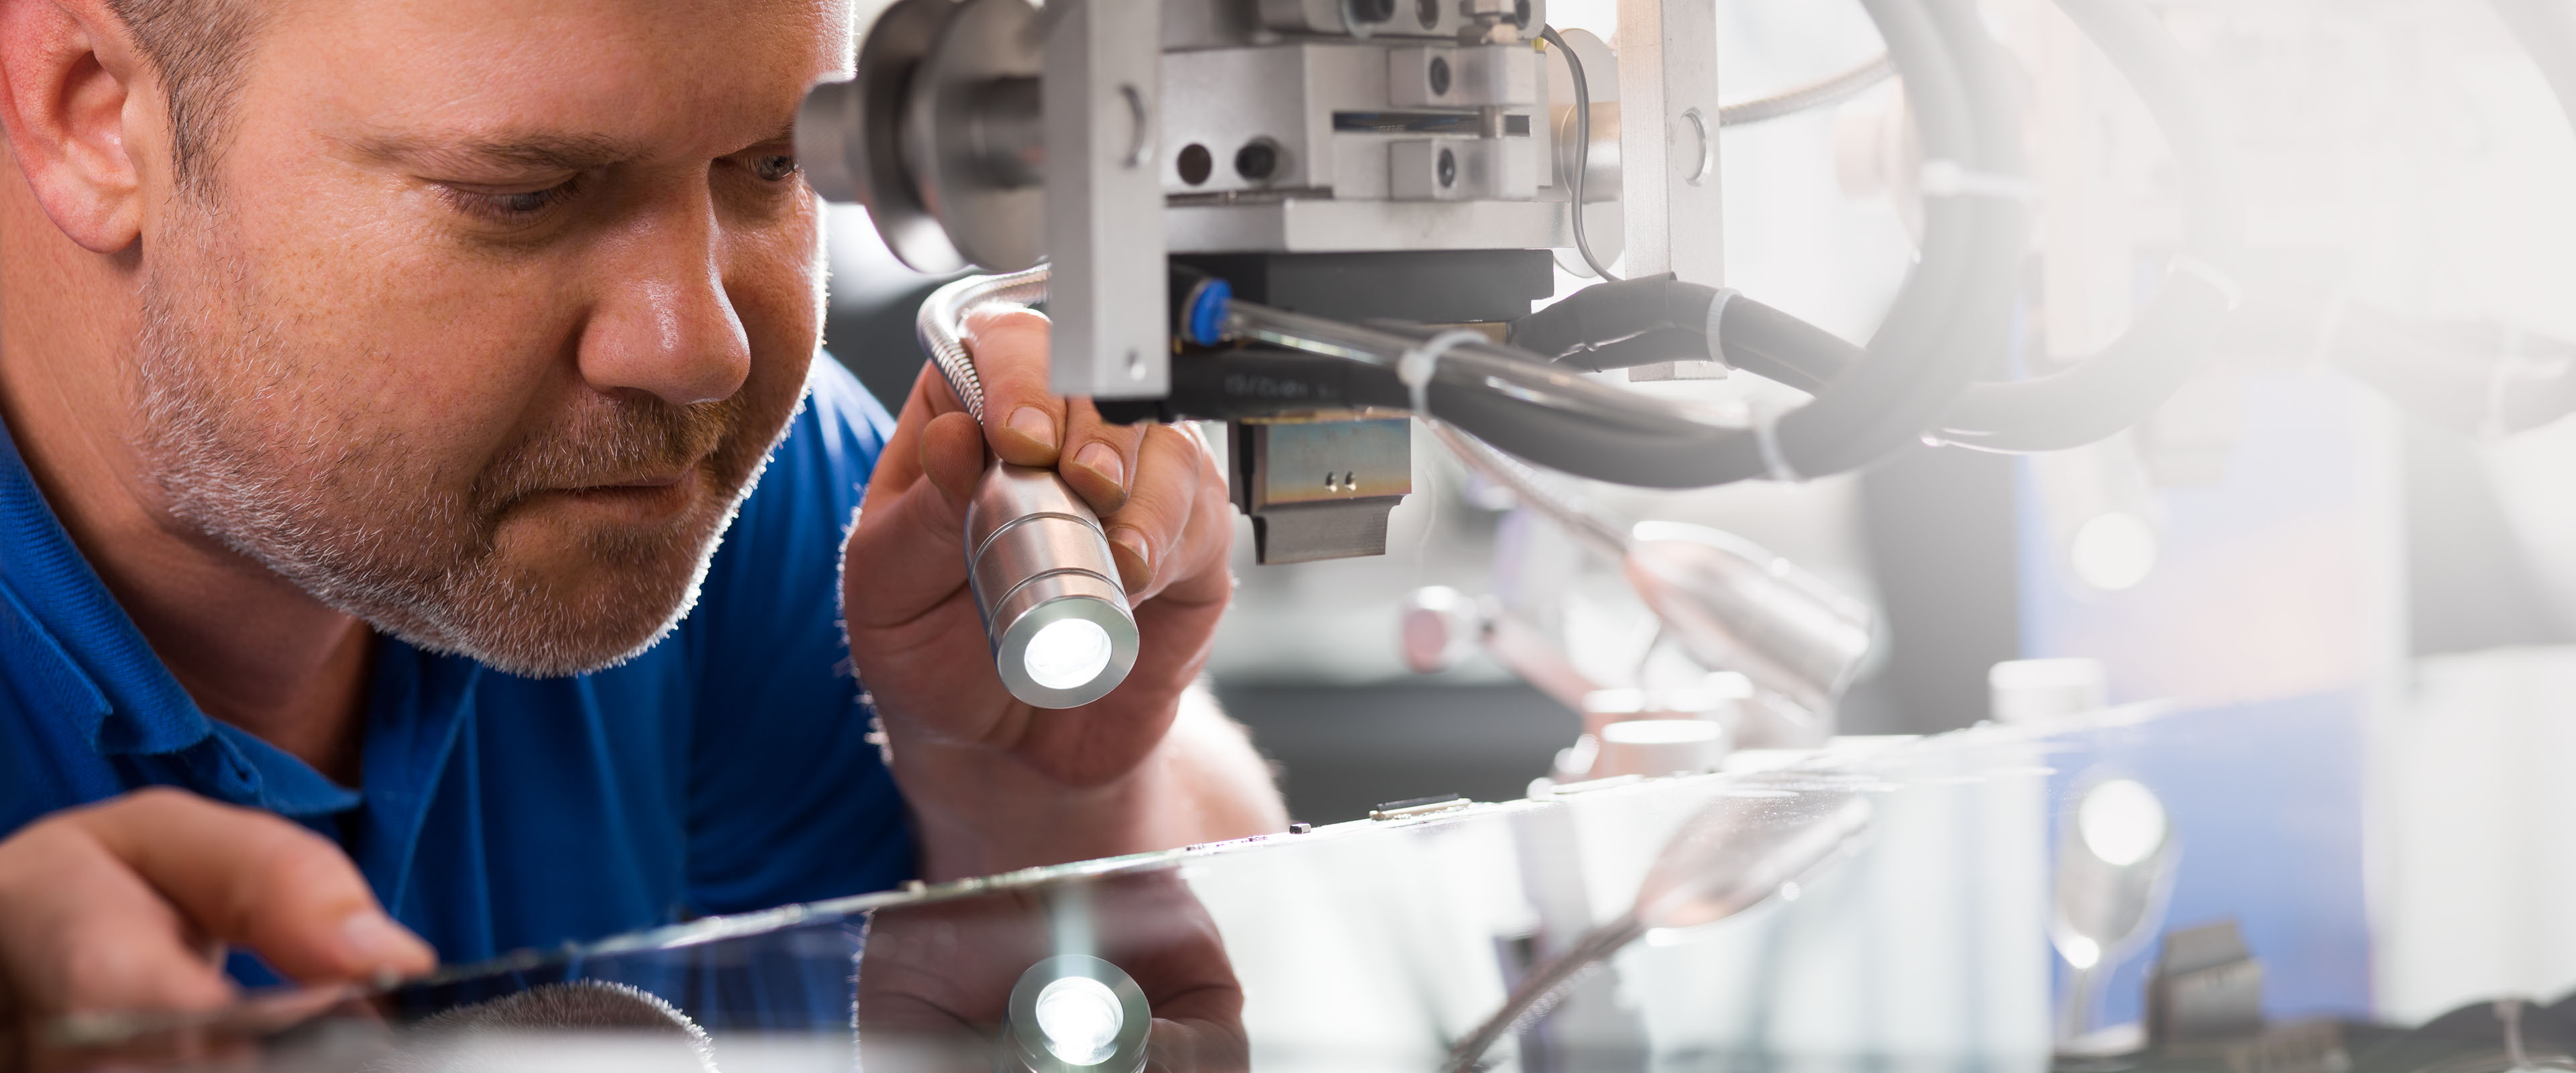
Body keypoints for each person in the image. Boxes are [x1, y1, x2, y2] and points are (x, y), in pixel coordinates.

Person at [0, 0, 1287, 1035]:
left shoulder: (701, 492)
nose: (701, 350)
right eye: (526, 193)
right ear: (91, 115)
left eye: (771, 168)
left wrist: (1033, 796)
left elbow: (1250, 887)